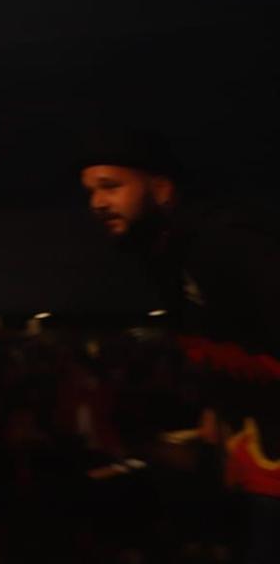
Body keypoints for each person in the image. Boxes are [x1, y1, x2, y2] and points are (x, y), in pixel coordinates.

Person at [80, 127, 280, 562]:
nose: (97, 203)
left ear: (163, 189)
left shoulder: (225, 242)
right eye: (91, 191)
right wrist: (218, 410)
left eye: (111, 186)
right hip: (256, 466)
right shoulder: (166, 256)